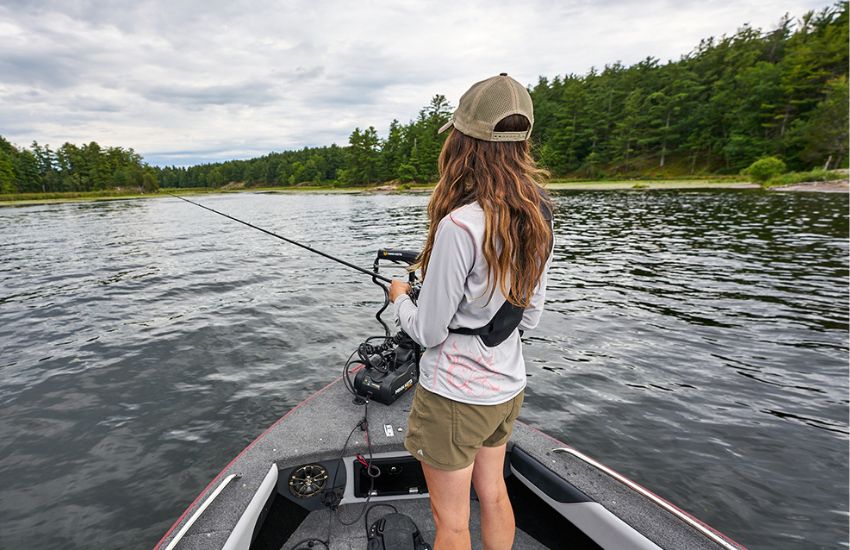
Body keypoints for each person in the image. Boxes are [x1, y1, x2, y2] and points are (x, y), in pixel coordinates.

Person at [387, 73, 554, 550]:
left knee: (454, 524)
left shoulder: (461, 224)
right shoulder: (539, 213)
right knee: (495, 495)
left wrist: (400, 298)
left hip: (457, 397)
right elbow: (531, 317)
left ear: (463, 142)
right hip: (506, 389)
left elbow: (429, 331)